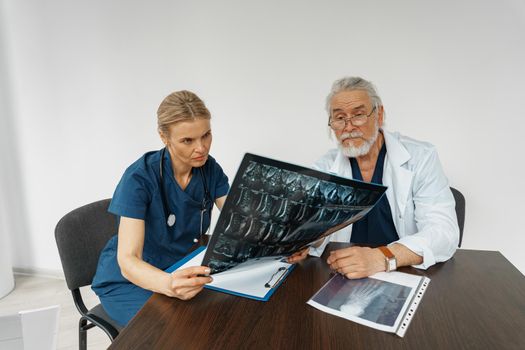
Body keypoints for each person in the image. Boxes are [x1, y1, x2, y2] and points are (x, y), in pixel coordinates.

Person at [91, 90, 230, 327]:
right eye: (187, 140)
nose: (201, 148)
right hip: (129, 280)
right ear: (163, 137)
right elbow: (128, 260)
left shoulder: (209, 169)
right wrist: (168, 284)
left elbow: (239, 220)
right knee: (177, 331)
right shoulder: (139, 179)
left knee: (222, 317)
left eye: (206, 135)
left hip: (182, 267)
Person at [309, 76, 459, 278]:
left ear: (379, 115)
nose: (349, 126)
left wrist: (381, 258)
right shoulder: (325, 167)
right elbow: (315, 227)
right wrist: (306, 241)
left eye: (358, 115)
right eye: (339, 118)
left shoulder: (421, 157)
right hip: (344, 274)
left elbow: (444, 233)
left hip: (404, 271)